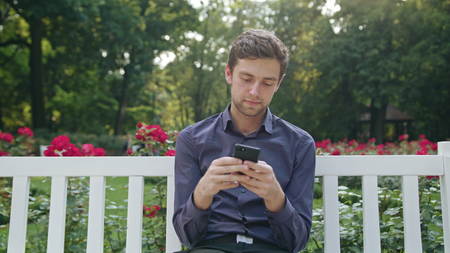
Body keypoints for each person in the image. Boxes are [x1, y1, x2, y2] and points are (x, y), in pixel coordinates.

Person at [173, 29, 316, 253]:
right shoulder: (192, 139)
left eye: (267, 83)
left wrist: (275, 198)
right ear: (229, 74)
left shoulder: (300, 144)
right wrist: (203, 192)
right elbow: (187, 237)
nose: (254, 91)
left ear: (279, 83)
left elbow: (296, 243)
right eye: (246, 78)